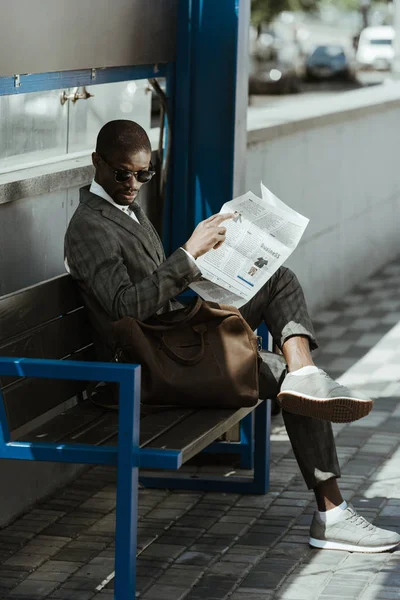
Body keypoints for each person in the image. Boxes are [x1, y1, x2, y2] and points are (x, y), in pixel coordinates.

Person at [65, 120, 400, 553]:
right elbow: (125, 308)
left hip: (169, 338)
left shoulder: (121, 207)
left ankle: (306, 370)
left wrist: (216, 266)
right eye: (122, 174)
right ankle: (331, 514)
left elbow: (151, 292)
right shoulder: (89, 225)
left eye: (143, 175)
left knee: (277, 279)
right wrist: (188, 255)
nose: (133, 184)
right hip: (143, 367)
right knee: (286, 384)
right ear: (96, 163)